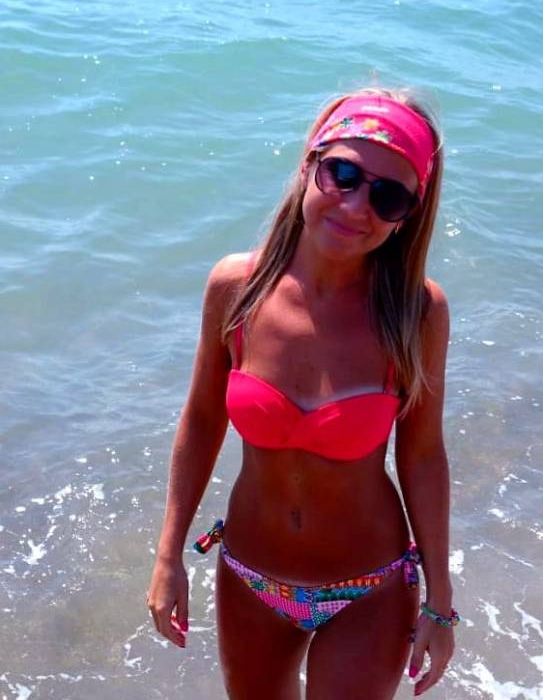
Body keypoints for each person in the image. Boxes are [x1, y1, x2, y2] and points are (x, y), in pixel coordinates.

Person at [147, 86, 459, 699]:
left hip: (369, 588)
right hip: (250, 577)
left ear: (409, 215)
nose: (357, 205)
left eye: (389, 196)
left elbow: (423, 455)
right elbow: (202, 419)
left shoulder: (415, 312)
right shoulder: (236, 288)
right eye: (343, 173)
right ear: (308, 165)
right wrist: (167, 556)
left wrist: (441, 604)